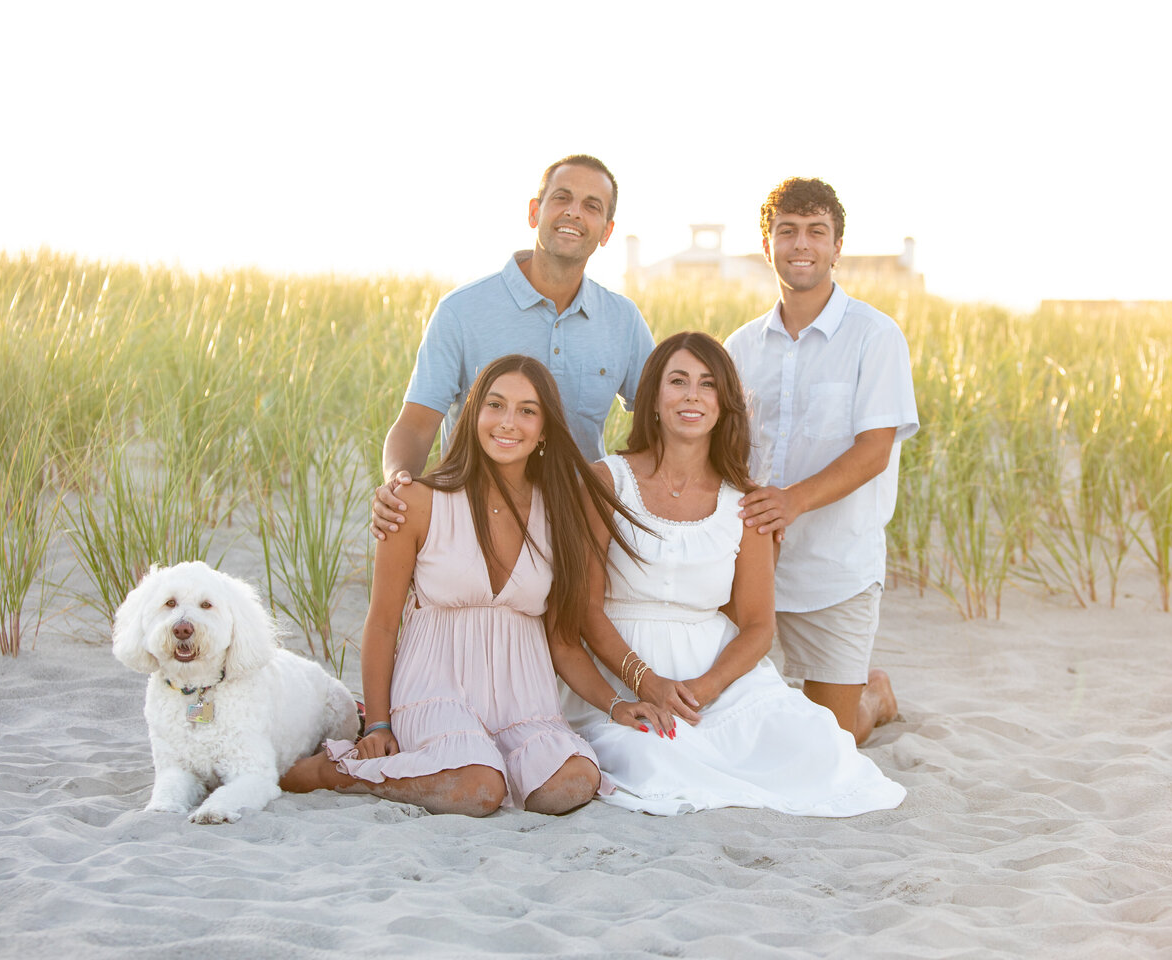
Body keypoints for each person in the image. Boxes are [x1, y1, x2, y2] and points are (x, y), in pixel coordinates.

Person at [281, 356, 663, 815]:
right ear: (473, 414)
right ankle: (338, 773)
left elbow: (563, 643)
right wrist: (379, 723)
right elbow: (382, 623)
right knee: (481, 787)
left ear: (544, 430)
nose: (508, 422)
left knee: (574, 779)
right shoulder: (418, 502)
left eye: (527, 411)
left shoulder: (560, 513)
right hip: (436, 688)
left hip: (524, 699)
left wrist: (616, 704)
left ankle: (474, 765)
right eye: (495, 405)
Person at [557, 331, 906, 816]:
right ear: (653, 399)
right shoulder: (605, 481)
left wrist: (705, 688)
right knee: (654, 758)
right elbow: (585, 609)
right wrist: (645, 681)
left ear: (724, 405)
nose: (692, 396)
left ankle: (872, 697)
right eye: (677, 381)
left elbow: (761, 626)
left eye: (707, 384)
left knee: (818, 745)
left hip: (713, 673)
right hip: (620, 668)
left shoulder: (746, 502)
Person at [724, 177, 919, 745]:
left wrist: (791, 502)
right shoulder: (739, 348)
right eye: (787, 231)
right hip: (750, 570)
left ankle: (872, 697)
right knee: (738, 725)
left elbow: (874, 451)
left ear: (837, 247)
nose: (801, 244)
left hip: (837, 567)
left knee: (830, 742)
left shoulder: (875, 337)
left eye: (816, 232)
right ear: (768, 246)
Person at [371, 154, 655, 540]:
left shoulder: (623, 320)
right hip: (473, 529)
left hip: (576, 531)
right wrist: (397, 483)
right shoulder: (462, 310)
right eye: (562, 198)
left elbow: (662, 423)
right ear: (534, 212)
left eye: (591, 206)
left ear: (606, 231)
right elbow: (416, 428)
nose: (574, 213)